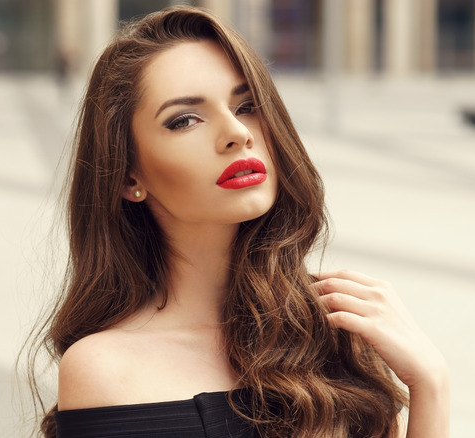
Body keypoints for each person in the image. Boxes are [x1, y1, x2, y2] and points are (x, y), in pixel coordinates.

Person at [25, 6, 449, 437]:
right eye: (184, 119)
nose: (236, 133)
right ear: (128, 174)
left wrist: (430, 384)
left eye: (247, 106)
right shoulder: (105, 370)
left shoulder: (337, 330)